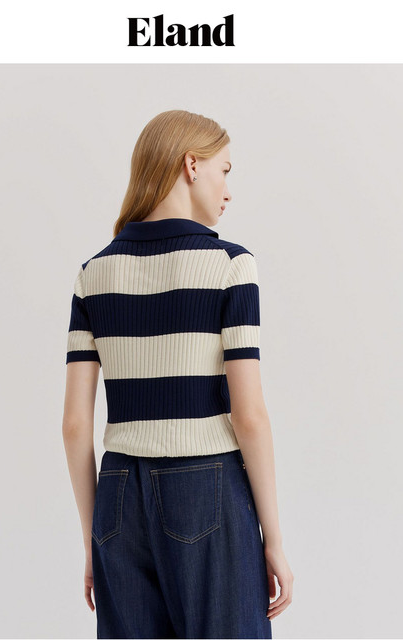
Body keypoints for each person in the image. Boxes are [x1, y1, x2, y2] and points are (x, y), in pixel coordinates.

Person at [62, 109, 294, 639]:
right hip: (206, 485)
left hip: (117, 493)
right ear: (192, 165)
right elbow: (249, 415)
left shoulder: (92, 275)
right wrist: (274, 540)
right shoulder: (230, 266)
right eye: (224, 170)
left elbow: (74, 425)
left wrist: (95, 539)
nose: (228, 191)